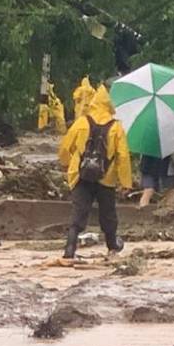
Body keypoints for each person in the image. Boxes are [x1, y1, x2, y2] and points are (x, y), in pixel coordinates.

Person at [56, 85, 132, 260]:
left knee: (78, 212)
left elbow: (65, 148)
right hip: (106, 178)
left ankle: (70, 249)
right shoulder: (116, 127)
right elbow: (123, 156)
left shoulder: (81, 122)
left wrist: (67, 165)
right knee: (108, 213)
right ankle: (112, 246)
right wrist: (126, 182)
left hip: (81, 175)